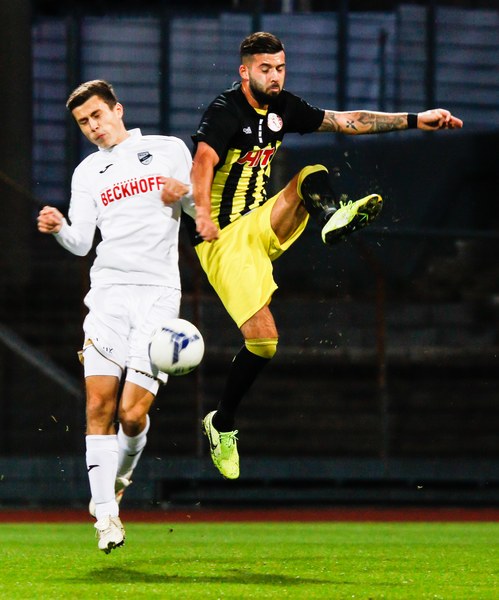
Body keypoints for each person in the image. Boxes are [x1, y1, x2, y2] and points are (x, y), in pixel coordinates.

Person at [188, 31, 463, 480]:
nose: (274, 77)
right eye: (265, 69)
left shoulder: (283, 107)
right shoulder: (225, 111)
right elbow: (202, 162)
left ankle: (333, 216)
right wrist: (202, 213)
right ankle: (221, 424)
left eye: (280, 68)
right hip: (221, 238)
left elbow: (347, 120)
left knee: (310, 173)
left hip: (261, 220)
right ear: (244, 71)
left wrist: (416, 119)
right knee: (264, 342)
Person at [37, 80, 193, 553]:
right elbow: (82, 243)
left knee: (131, 414)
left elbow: (199, 208)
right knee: (98, 407)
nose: (93, 127)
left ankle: (120, 476)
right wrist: (60, 227)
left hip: (158, 296)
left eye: (97, 115)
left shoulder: (167, 149)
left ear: (117, 110)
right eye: (83, 122)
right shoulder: (88, 171)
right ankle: (105, 515)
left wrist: (184, 193)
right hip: (107, 296)